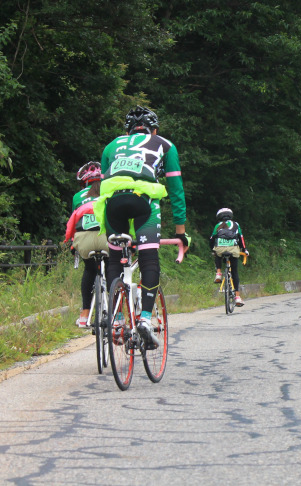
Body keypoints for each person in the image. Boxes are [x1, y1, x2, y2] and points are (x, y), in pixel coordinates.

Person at [94, 106, 189, 349]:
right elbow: (176, 189)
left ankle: (115, 320)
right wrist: (180, 232)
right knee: (149, 258)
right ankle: (145, 319)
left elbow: (103, 180)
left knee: (115, 259)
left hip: (112, 203)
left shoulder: (111, 146)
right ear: (153, 129)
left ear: (127, 131)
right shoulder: (164, 144)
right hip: (143, 201)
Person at [64, 162, 109, 328]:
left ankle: (84, 314)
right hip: (106, 237)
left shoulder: (78, 197)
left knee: (89, 269)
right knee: (112, 268)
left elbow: (74, 221)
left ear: (83, 182)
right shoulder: (111, 191)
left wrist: (72, 245)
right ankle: (117, 314)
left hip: (84, 239)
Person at [210, 208, 249, 306]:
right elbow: (241, 238)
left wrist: (213, 249)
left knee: (217, 252)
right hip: (233, 250)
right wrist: (244, 249)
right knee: (234, 272)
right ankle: (237, 297)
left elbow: (212, 239)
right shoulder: (236, 224)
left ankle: (218, 273)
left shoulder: (218, 225)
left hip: (220, 249)